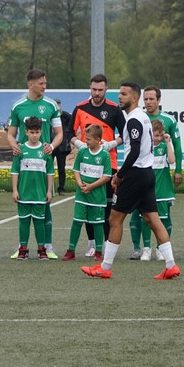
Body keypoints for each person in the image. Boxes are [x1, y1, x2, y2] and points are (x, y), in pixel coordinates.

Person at [81, 82, 179, 280]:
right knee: (153, 219)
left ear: (135, 98)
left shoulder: (134, 119)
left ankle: (105, 267)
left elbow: (134, 151)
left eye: (124, 94)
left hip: (136, 175)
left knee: (115, 219)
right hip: (147, 173)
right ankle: (171, 265)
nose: (120, 97)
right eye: (119, 93)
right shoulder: (142, 117)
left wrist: (120, 174)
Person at [7, 69, 63, 259]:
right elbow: (10, 134)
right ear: (30, 84)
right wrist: (15, 146)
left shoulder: (51, 105)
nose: (44, 86)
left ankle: (47, 247)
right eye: (41, 83)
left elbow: (59, 133)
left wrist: (51, 147)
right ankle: (22, 247)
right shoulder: (18, 106)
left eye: (45, 83)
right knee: (23, 204)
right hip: (24, 162)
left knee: (45, 205)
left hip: (43, 161)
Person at [69, 73, 123, 258]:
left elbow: (125, 134)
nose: (97, 93)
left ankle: (105, 244)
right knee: (86, 203)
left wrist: (111, 144)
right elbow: (70, 132)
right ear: (90, 88)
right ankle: (92, 243)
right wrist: (79, 144)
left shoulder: (114, 109)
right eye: (94, 89)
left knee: (106, 206)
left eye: (100, 89)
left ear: (106, 89)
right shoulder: (80, 108)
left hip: (109, 163)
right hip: (86, 164)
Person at [129, 86, 184, 258]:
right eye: (145, 99)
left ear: (159, 100)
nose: (148, 102)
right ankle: (139, 249)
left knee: (163, 214)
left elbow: (177, 147)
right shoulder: (139, 117)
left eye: (151, 99)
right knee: (137, 215)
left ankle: (162, 247)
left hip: (161, 179)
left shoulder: (168, 120)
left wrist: (178, 170)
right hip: (141, 175)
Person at [60, 124, 111, 262]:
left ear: (98, 140)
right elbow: (76, 170)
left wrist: (91, 186)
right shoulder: (82, 152)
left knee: (97, 223)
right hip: (82, 195)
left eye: (88, 139)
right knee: (77, 221)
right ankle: (71, 250)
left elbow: (107, 176)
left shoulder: (104, 155)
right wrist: (80, 184)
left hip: (97, 197)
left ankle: (99, 251)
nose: (85, 141)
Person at [10, 116, 54, 260]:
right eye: (31, 132)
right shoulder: (20, 150)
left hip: (40, 194)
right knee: (23, 221)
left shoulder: (45, 151)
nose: (34, 135)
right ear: (26, 132)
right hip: (24, 193)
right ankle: (23, 249)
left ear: (41, 132)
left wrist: (49, 191)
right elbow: (15, 171)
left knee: (39, 221)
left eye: (37, 132)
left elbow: (50, 173)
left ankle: (42, 249)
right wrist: (15, 190)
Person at [52, 99, 73, 195]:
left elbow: (71, 120)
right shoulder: (49, 115)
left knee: (61, 168)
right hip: (50, 145)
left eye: (58, 105)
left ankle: (61, 189)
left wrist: (61, 112)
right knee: (48, 168)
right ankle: (47, 187)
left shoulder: (64, 116)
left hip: (61, 147)